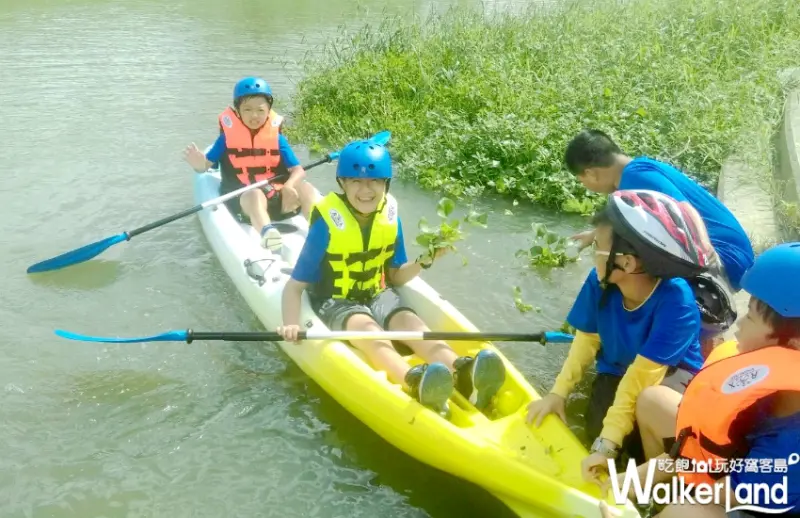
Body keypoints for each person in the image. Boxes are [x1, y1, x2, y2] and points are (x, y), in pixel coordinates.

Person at [276, 140, 506, 415]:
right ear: (342, 184)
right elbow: (295, 287)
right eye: (356, 181)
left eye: (374, 181)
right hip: (335, 300)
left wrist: (425, 260)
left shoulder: (389, 216)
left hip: (377, 291)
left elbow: (395, 276)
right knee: (371, 334)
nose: (366, 190)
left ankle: (462, 373)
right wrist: (291, 324)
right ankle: (414, 381)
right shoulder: (326, 223)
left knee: (412, 324)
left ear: (386, 184)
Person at [601, 242, 800, 518]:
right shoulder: (768, 386)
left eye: (752, 318)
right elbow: (694, 449)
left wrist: (647, 485)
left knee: (685, 511)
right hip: (729, 472)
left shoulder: (791, 444)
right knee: (652, 401)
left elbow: (721, 493)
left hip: (754, 502)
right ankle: (658, 503)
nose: (739, 325)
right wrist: (635, 480)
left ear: (793, 346)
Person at [526, 189, 717, 478]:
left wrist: (606, 447)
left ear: (627, 262)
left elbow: (641, 377)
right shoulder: (600, 281)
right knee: (595, 429)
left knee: (636, 444)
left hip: (666, 377)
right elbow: (586, 340)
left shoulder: (677, 301)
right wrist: (558, 393)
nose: (593, 254)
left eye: (597, 246)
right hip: (618, 367)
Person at [564, 129, 751, 345]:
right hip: (732, 253)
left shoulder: (635, 178)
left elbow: (684, 208)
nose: (585, 186)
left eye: (582, 180)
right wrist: (594, 235)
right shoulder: (636, 168)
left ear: (591, 173)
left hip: (723, 257)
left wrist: (703, 245)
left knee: (622, 275)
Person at [183, 76, 318, 251]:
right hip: (243, 200)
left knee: (306, 188)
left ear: (268, 111)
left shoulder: (277, 139)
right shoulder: (226, 139)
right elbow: (205, 167)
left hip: (277, 198)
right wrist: (198, 164)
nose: (254, 116)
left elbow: (298, 170)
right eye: (247, 109)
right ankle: (267, 232)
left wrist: (289, 185)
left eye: (260, 110)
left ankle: (320, 228)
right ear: (238, 111)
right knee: (254, 194)